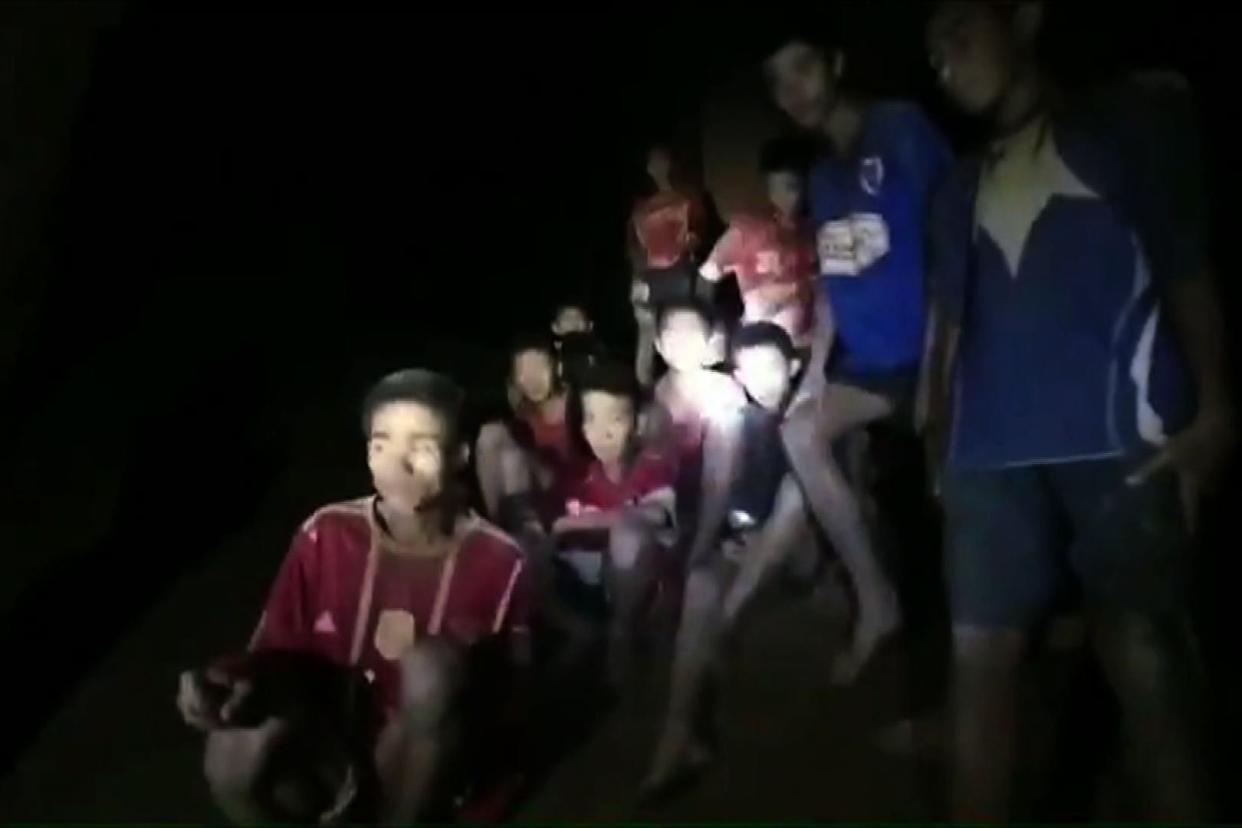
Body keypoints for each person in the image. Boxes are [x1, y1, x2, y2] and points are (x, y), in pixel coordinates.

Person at [924, 2, 1234, 819]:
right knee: (980, 663)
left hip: (1122, 434)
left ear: (1024, 18)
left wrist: (1216, 405)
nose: (945, 61)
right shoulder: (960, 184)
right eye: (933, 53)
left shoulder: (1129, 123)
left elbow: (1185, 266)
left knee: (1145, 655)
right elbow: (946, 332)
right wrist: (937, 445)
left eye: (959, 31)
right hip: (987, 449)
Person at [175, 369, 531, 824]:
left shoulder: (500, 561)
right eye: (382, 445)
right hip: (332, 739)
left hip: (426, 766)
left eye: (420, 448)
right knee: (229, 752)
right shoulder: (326, 533)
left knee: (430, 670)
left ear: (460, 453)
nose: (397, 466)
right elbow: (275, 646)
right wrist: (227, 680)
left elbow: (508, 696)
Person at [763, 27, 953, 683]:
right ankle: (877, 601)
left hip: (934, 350)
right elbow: (834, 283)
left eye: (803, 69)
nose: (794, 91)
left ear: (836, 62)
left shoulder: (899, 129)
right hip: (870, 364)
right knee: (799, 430)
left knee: (948, 506)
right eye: (779, 82)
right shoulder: (821, 174)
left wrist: (936, 373)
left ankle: (980, 652)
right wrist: (816, 372)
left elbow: (948, 250)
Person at [642, 322, 824, 799]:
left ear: (794, 367)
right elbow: (718, 496)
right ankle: (677, 738)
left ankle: (727, 623)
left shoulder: (818, 419)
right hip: (744, 546)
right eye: (749, 370)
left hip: (800, 551)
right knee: (702, 583)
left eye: (772, 367)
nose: (761, 380)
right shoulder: (736, 419)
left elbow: (816, 511)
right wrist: (705, 549)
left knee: (793, 493)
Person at [551, 361, 679, 687]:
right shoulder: (577, 476)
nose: (601, 433)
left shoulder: (652, 467)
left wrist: (573, 524)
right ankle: (580, 629)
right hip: (589, 582)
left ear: (636, 425)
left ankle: (621, 635)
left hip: (643, 587)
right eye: (590, 419)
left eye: (616, 419)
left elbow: (656, 515)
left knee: (628, 533)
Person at [649, 300, 748, 575]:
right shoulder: (656, 395)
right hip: (676, 504)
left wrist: (699, 548)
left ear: (708, 343)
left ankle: (702, 548)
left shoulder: (724, 391)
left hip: (725, 505)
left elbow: (722, 477)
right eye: (672, 334)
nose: (681, 343)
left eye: (692, 334)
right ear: (658, 343)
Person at [699, 137, 819, 353]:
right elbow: (706, 279)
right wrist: (714, 328)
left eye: (791, 187)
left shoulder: (814, 232)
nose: (782, 197)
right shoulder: (746, 231)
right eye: (774, 188)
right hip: (757, 349)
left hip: (806, 348)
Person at [474, 333, 577, 532]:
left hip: (571, 487)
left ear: (557, 367)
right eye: (523, 371)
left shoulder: (575, 401)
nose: (532, 378)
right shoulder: (525, 411)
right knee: (490, 434)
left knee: (513, 459)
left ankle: (523, 534)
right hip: (534, 488)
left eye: (539, 367)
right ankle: (496, 527)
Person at [630, 144, 712, 387]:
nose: (658, 167)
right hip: (652, 275)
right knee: (648, 333)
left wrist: (693, 242)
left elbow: (702, 231)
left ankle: (693, 386)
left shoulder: (689, 198)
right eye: (653, 162)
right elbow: (635, 248)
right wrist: (637, 278)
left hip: (682, 272)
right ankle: (645, 393)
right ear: (647, 168)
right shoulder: (641, 207)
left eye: (662, 160)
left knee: (685, 330)